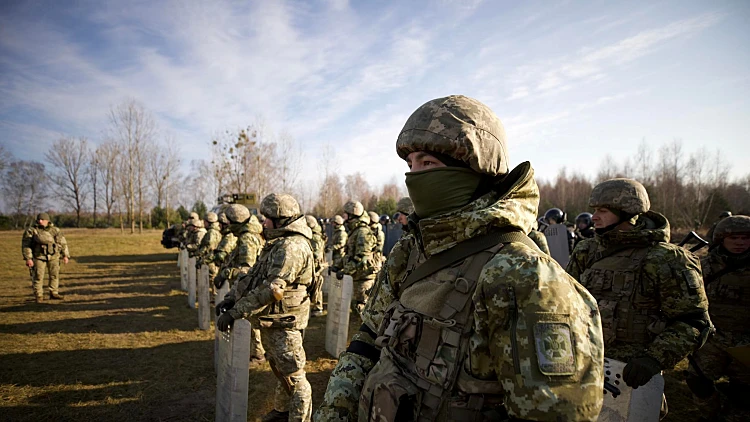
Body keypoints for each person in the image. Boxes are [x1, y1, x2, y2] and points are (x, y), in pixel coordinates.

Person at [315, 95, 603, 421]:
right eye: (410, 165)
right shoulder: (409, 252)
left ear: (474, 169)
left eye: (428, 164)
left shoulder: (526, 278)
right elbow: (368, 338)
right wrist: (335, 410)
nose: (414, 178)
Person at [567, 178, 712, 415]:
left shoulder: (667, 259)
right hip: (585, 366)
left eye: (602, 211)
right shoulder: (586, 251)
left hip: (633, 374)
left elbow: (695, 322)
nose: (594, 217)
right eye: (594, 211)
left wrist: (653, 359)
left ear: (628, 213)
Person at [216, 194, 314, 422]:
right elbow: (253, 276)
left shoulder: (292, 247)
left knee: (295, 375)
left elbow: (272, 290)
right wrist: (231, 298)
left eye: (267, 217)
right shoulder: (278, 243)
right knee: (281, 370)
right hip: (274, 319)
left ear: (281, 220)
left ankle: (300, 418)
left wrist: (236, 312)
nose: (263, 222)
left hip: (286, 320)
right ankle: (282, 411)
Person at [687, 215, 750, 421]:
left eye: (745, 238)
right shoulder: (703, 266)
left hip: (746, 342)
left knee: (743, 392)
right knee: (698, 382)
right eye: (734, 238)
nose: (740, 243)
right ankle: (710, 414)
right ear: (721, 239)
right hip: (711, 339)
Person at [214, 204, 266, 364]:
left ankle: (257, 354)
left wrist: (226, 273)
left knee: (250, 319)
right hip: (247, 285)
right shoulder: (249, 235)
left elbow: (247, 270)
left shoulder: (247, 238)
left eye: (229, 222)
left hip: (248, 287)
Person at [337, 201, 379, 314]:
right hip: (358, 275)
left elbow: (361, 258)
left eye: (345, 214)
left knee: (362, 306)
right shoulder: (355, 231)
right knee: (357, 306)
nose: (343, 216)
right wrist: (337, 266)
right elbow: (350, 254)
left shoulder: (362, 232)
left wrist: (345, 270)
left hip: (365, 277)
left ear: (352, 214)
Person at [22, 212, 70, 303]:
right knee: (38, 276)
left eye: (42, 220)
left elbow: (63, 243)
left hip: (54, 256)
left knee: (54, 275)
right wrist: (28, 258)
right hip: (38, 256)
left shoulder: (55, 230)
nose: (40, 221)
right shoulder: (32, 231)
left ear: (47, 221)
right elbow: (26, 245)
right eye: (39, 219)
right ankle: (39, 295)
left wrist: (65, 255)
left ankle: (54, 293)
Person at [306, 215, 327, 318]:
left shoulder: (315, 237)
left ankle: (318, 307)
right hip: (315, 265)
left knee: (316, 286)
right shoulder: (315, 235)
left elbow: (316, 254)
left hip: (316, 266)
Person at [196, 212, 223, 287]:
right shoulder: (216, 230)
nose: (204, 224)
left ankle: (213, 296)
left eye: (205, 222)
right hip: (213, 258)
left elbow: (209, 246)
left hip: (211, 259)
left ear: (208, 222)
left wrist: (200, 253)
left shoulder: (212, 232)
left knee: (212, 279)